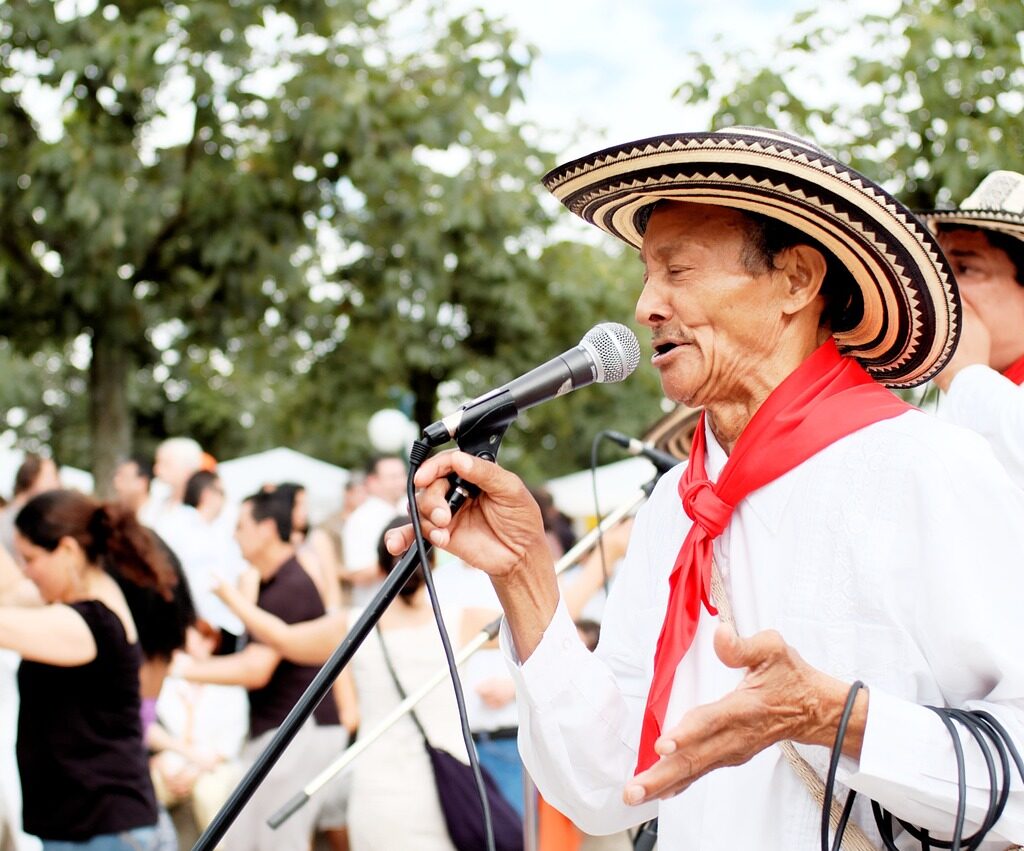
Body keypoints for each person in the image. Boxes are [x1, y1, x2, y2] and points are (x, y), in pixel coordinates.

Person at [387, 128, 1024, 847]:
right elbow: (608, 786)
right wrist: (527, 576)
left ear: (797, 281)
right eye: (646, 274)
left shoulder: (931, 468)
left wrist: (837, 716)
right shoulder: (675, 505)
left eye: (677, 270)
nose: (644, 307)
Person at [212, 518, 501, 851]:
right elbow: (542, 617)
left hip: (378, 791)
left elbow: (284, 639)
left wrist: (230, 597)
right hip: (451, 785)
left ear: (380, 569)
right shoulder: (461, 621)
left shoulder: (354, 625)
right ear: (432, 563)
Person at [173, 489, 349, 851]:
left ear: (267, 529)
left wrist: (185, 668)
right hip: (290, 730)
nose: (234, 535)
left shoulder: (289, 586)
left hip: (297, 730)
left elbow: (256, 669)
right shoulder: (274, 585)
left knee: (274, 842)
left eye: (240, 526)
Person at [7, 489, 182, 850]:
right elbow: (11, 592)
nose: (26, 571)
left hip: (100, 830)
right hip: (97, 825)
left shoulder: (89, 623)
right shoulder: (92, 599)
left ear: (68, 550)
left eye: (31, 558)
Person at [919, 170, 1024, 487]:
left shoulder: (971, 388)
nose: (942, 287)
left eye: (965, 268)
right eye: (941, 269)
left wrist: (966, 375)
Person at [339, 455, 406, 607]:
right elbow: (358, 574)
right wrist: (405, 557)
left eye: (402, 475)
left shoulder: (408, 507)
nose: (400, 481)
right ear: (372, 482)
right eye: (393, 477)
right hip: (378, 609)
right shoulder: (360, 520)